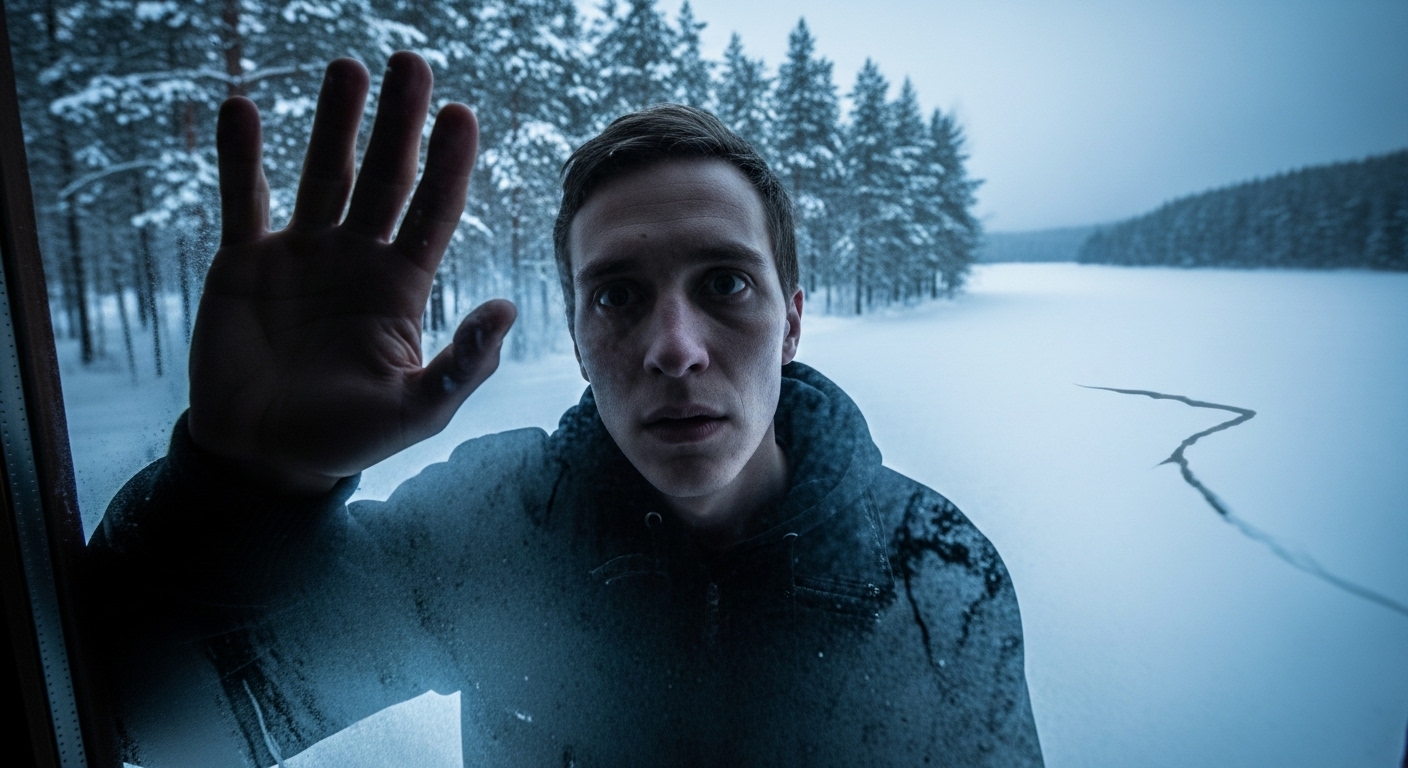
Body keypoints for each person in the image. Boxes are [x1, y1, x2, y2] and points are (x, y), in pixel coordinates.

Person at [90, 52, 1043, 767]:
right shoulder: (497, 530)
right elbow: (153, 712)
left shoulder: (936, 572)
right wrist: (243, 482)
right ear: (581, 340)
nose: (674, 347)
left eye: (725, 283)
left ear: (792, 321)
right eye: (619, 295)